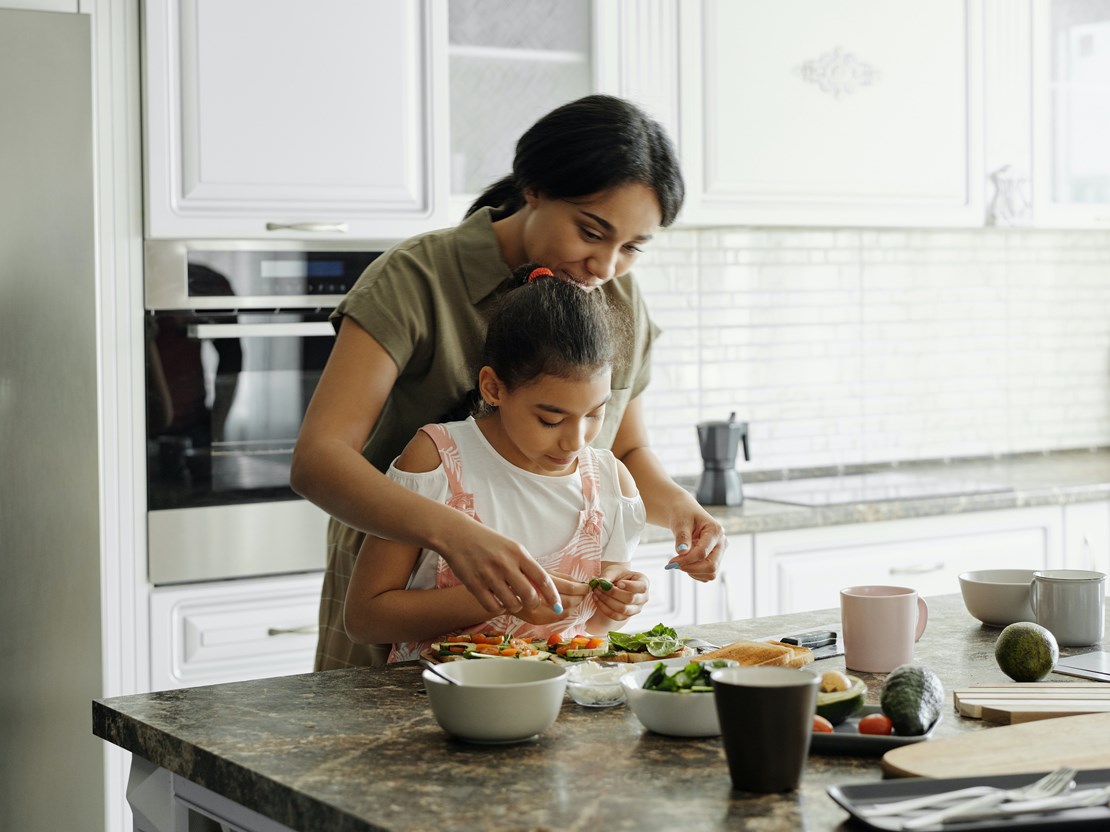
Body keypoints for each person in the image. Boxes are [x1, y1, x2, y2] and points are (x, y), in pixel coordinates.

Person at [291, 94, 728, 670]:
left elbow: (623, 448)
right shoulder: (416, 278)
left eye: (631, 248)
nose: (606, 265)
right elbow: (319, 459)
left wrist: (679, 509)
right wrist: (456, 535)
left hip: (542, 649)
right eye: (591, 231)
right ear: (535, 189)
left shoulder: (616, 296)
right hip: (400, 597)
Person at [344, 266, 649, 661]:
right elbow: (365, 619)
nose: (576, 440)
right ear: (493, 387)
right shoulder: (437, 460)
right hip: (435, 705)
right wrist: (498, 599)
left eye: (595, 414)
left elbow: (593, 630)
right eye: (551, 419)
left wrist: (619, 605)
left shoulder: (610, 483)